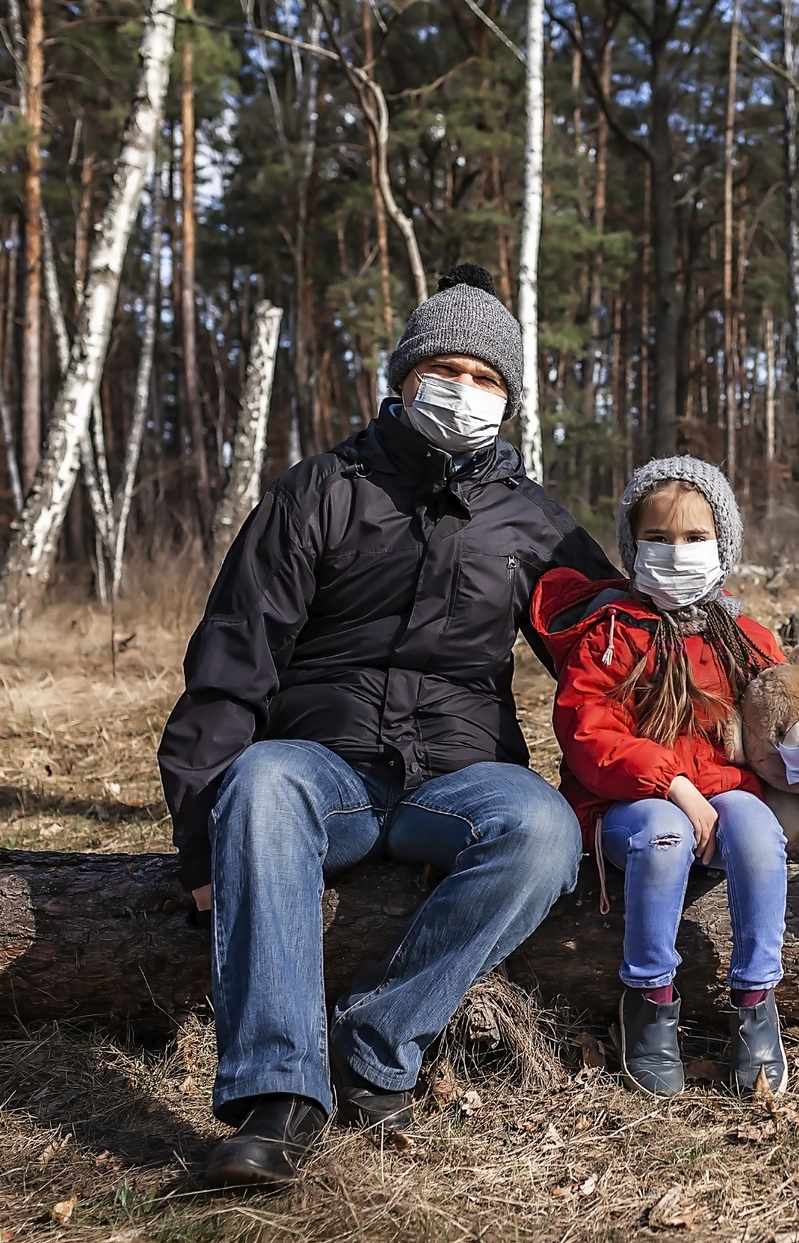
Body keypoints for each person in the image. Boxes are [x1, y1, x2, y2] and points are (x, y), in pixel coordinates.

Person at [159, 265, 618, 1187]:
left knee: (540, 829)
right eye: (444, 369)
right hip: (325, 770)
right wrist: (199, 849)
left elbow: (618, 655)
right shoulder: (318, 493)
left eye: (487, 377)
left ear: (511, 399)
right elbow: (232, 660)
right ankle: (277, 1097)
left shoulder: (534, 524)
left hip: (457, 777)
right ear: (402, 378)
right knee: (259, 781)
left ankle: (374, 1044)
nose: (464, 391)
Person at [530, 457, 796, 1096]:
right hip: (628, 805)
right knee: (664, 835)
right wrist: (675, 786)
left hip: (724, 794)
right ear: (631, 547)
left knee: (762, 839)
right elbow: (591, 735)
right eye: (659, 539)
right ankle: (649, 1000)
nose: (677, 554)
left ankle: (756, 1001)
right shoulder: (611, 635)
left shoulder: (744, 637)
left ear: (722, 545)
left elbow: (796, 698)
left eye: (694, 538)